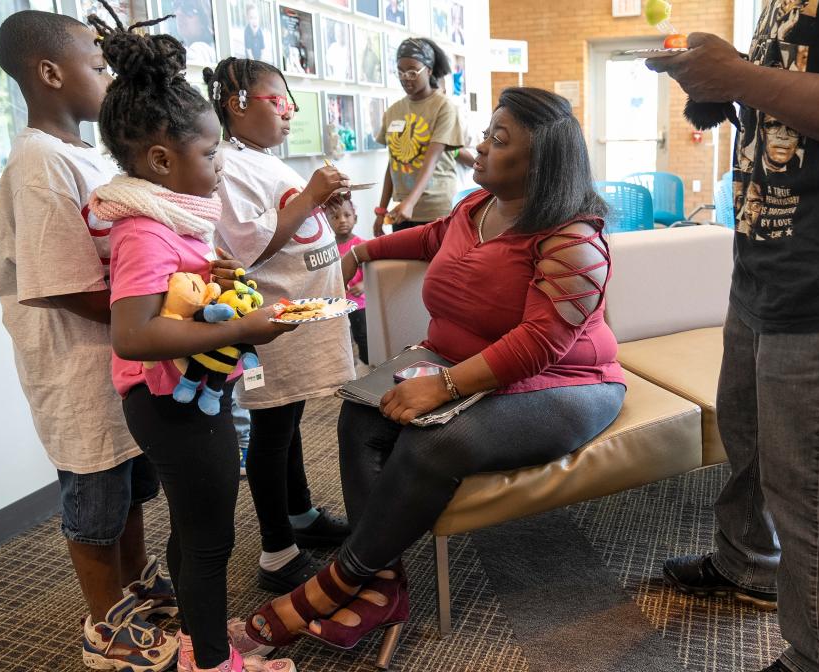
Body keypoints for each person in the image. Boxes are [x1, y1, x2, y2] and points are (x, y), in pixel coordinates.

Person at [243, 87, 627, 665]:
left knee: (435, 440)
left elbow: (542, 344)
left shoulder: (574, 236)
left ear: (541, 164)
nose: (479, 146)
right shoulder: (476, 209)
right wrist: (361, 251)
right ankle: (382, 585)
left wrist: (443, 387)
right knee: (359, 414)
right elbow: (429, 237)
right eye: (487, 132)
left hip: (569, 383)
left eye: (498, 141)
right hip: (462, 366)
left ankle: (337, 583)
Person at [646, 4, 819, 671]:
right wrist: (720, 86)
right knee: (750, 432)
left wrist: (739, 77)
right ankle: (747, 562)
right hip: (770, 252)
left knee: (817, 484)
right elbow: (796, 93)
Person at [87, 5, 299, 670]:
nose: (218, 165)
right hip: (172, 407)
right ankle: (213, 663)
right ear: (159, 159)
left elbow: (168, 295)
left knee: (193, 533)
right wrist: (245, 324)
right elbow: (133, 331)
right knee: (210, 543)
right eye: (210, 154)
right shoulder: (146, 228)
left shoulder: (166, 222)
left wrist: (209, 276)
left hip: (183, 400)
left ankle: (194, 639)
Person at [0, 10, 179, 671]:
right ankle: (106, 628)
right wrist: (157, 317)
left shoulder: (80, 155)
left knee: (128, 486)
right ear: (49, 73)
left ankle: (133, 591)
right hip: (75, 368)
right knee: (94, 500)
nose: (108, 76)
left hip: (114, 364)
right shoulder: (38, 161)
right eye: (98, 66)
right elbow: (59, 283)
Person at [203, 57, 355, 596]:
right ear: (237, 102)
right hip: (271, 323)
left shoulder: (266, 160)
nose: (289, 112)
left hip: (300, 319)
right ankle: (276, 551)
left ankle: (300, 513)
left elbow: (297, 230)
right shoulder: (225, 164)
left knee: (288, 425)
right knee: (272, 429)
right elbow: (246, 248)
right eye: (277, 101)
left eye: (289, 102)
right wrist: (312, 197)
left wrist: (336, 221)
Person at [373, 38, 464, 236]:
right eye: (400, 71)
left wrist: (410, 202)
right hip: (402, 211)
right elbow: (393, 163)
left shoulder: (443, 107)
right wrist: (381, 211)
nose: (406, 77)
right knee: (405, 266)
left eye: (413, 71)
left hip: (436, 210)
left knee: (435, 267)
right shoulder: (393, 111)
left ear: (429, 70)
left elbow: (432, 158)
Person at [327, 199, 368, 365]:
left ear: (355, 218)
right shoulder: (328, 247)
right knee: (342, 337)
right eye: (335, 217)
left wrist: (364, 284)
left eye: (347, 215)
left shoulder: (362, 245)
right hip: (338, 304)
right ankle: (348, 365)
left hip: (359, 304)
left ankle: (368, 364)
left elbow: (372, 273)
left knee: (362, 336)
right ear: (327, 222)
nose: (342, 220)